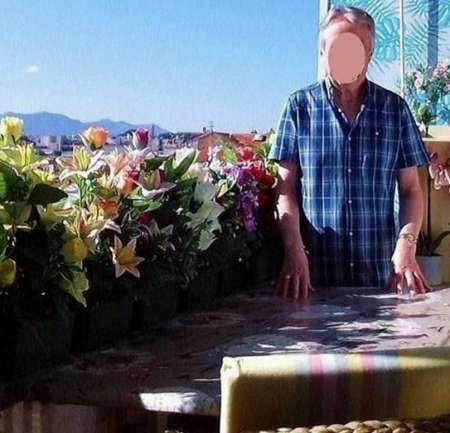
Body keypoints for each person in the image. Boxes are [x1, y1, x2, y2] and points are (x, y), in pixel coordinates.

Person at [268, 5, 432, 300]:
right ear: (322, 52)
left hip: (380, 283)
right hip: (311, 284)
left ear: (369, 54)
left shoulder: (395, 110)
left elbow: (410, 190)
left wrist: (407, 244)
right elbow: (285, 190)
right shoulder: (298, 108)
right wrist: (293, 249)